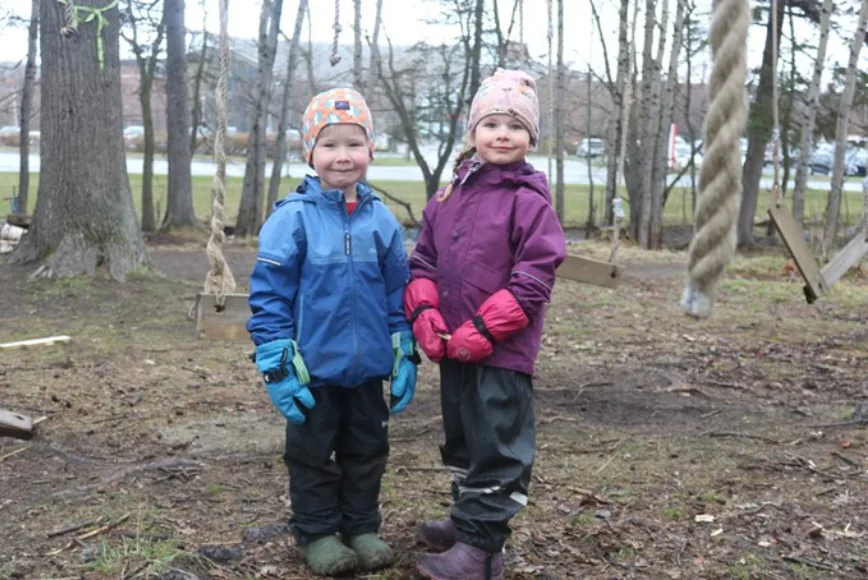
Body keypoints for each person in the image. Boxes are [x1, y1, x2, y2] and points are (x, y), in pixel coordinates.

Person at [247, 87, 419, 577]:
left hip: (367, 372)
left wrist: (403, 346)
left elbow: (396, 293)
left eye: (354, 144)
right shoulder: (291, 220)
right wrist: (277, 357)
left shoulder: (381, 221)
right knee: (312, 456)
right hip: (311, 371)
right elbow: (269, 296)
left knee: (368, 451)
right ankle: (317, 533)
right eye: (330, 144)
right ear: (310, 153)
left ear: (370, 151)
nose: (342, 156)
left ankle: (361, 527)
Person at [403, 69, 567, 579]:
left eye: (515, 126)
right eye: (492, 123)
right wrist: (425, 313)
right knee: (464, 439)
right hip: (453, 346)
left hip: (502, 352)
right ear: (473, 132)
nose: (502, 134)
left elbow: (534, 278)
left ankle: (478, 552)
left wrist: (486, 329)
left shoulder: (528, 201)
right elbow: (423, 260)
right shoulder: (450, 196)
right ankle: (471, 525)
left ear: (529, 138)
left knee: (497, 443)